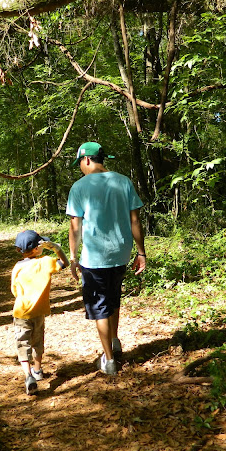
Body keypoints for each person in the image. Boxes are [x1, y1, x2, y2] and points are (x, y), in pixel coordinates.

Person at [66, 141, 146, 376]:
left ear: (87, 159)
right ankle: (115, 340)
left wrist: (72, 257)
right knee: (114, 298)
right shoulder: (123, 181)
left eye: (80, 162)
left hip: (94, 258)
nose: (80, 167)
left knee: (100, 306)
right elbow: (135, 221)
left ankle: (109, 361)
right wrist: (141, 253)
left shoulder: (79, 187)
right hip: (121, 252)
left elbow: (75, 226)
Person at [11, 229, 69, 395]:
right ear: (36, 249)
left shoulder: (17, 267)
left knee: (23, 343)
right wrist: (57, 248)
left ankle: (28, 374)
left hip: (21, 312)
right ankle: (37, 370)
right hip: (39, 311)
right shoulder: (45, 262)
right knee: (37, 341)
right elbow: (64, 263)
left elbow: (14, 290)